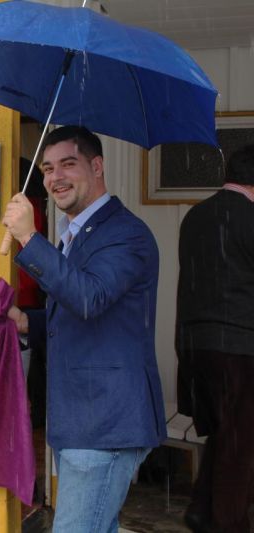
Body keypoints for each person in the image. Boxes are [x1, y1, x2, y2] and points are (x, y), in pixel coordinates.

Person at [2, 126, 166, 532]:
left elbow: (90, 297)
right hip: (80, 420)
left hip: (104, 422)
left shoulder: (126, 234)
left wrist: (28, 236)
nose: (55, 177)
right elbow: (75, 315)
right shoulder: (75, 235)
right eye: (47, 168)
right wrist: (27, 321)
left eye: (68, 165)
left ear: (97, 166)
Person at [175, 145, 254, 533]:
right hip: (240, 350)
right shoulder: (251, 219)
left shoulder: (195, 216)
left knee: (224, 434)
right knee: (241, 449)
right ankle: (229, 524)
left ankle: (201, 509)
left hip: (195, 347)